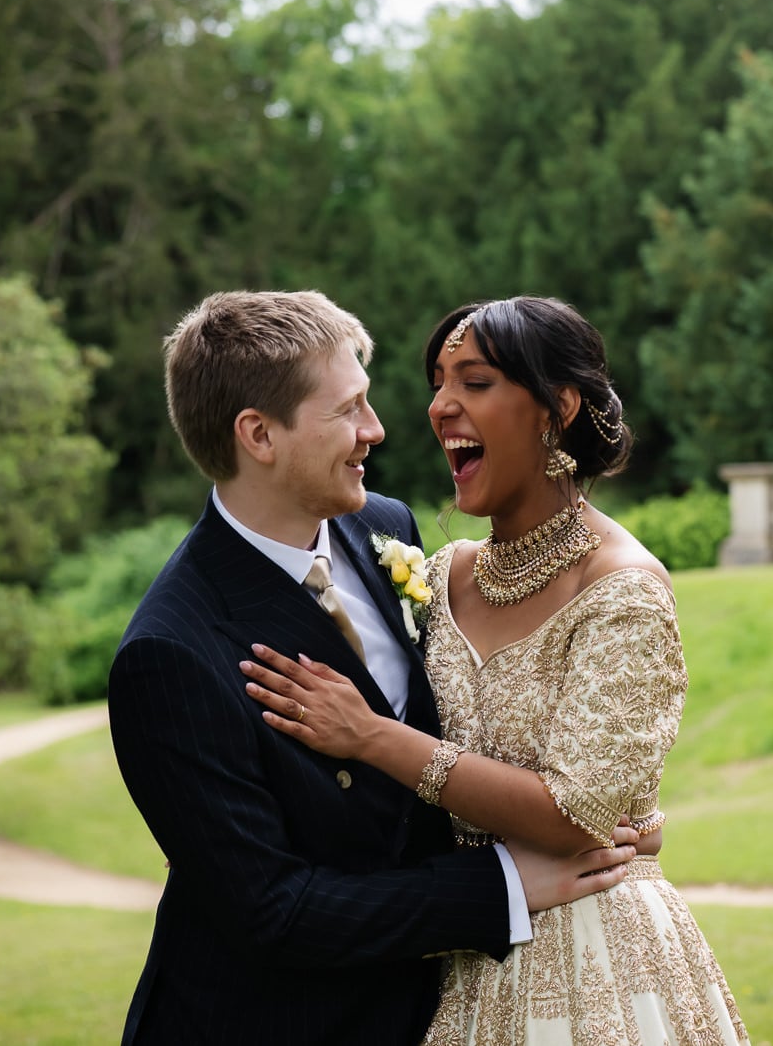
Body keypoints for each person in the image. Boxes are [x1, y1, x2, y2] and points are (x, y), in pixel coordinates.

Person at [109, 290, 650, 1046]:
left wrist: (601, 814)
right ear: (259, 434)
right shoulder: (170, 654)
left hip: (429, 1011)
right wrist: (501, 886)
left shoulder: (383, 527)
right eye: (348, 410)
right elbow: (277, 911)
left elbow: (471, 727)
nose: (379, 429)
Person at [239, 296, 749, 1045]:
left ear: (557, 407)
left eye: (474, 382)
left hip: (595, 954)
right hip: (455, 951)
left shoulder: (622, 588)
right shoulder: (438, 574)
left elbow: (578, 813)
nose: (440, 405)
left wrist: (373, 737)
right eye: (438, 382)